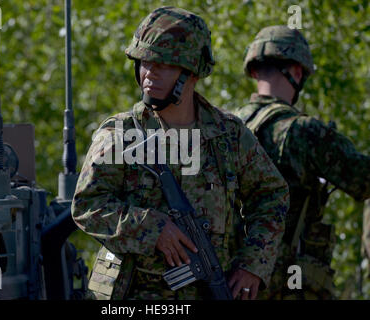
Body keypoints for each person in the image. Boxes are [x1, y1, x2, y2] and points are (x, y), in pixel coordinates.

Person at [72, 7, 289, 300]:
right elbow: (87, 206)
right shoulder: (121, 134)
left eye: (164, 64)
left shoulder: (229, 135)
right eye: (145, 62)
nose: (150, 73)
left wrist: (253, 264)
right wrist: (151, 227)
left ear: (192, 72)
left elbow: (272, 195)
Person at [234, 25, 370, 299]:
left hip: (229, 281)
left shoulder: (223, 126)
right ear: (297, 72)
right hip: (285, 284)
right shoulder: (304, 131)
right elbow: (364, 180)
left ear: (253, 71)